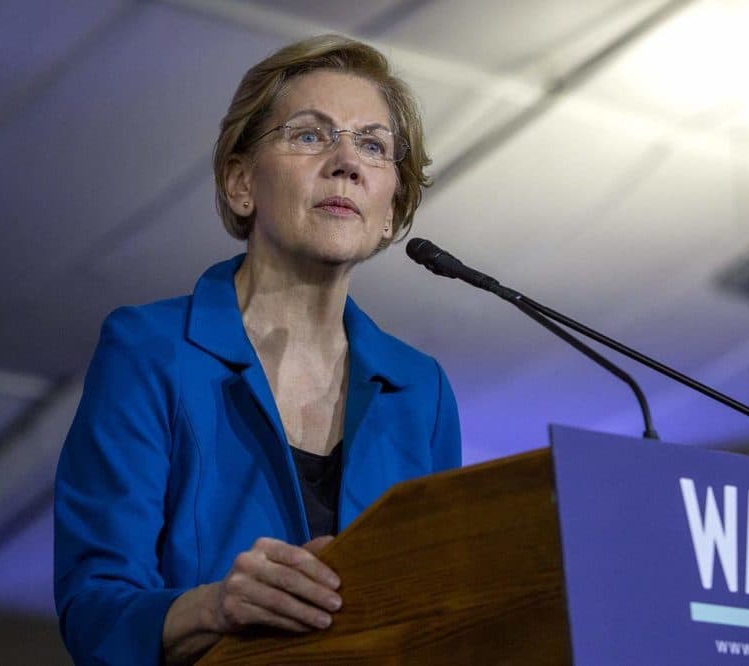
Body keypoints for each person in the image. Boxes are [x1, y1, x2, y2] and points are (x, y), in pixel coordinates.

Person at [53, 34, 462, 665]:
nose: (346, 162)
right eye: (308, 135)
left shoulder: (422, 390)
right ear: (241, 182)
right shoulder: (149, 350)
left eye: (374, 146)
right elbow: (94, 610)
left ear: (390, 211)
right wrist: (215, 607)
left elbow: (444, 608)